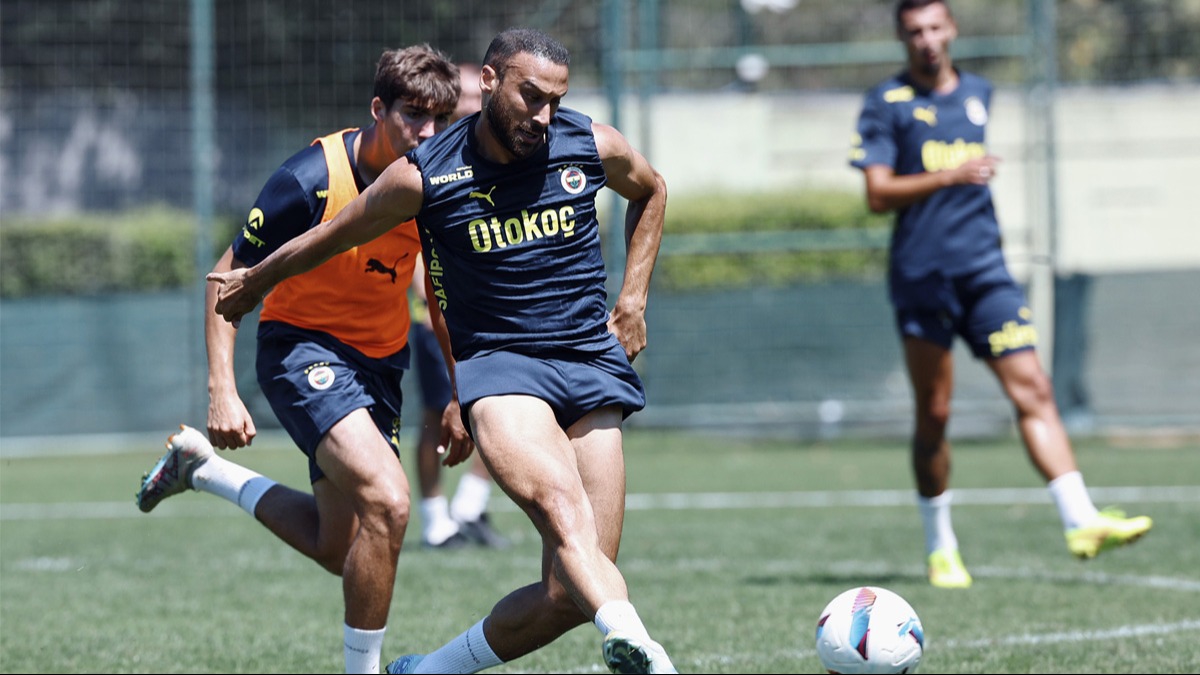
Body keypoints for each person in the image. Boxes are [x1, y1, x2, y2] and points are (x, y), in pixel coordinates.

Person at [207, 27, 677, 675]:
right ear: (488, 81)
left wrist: (633, 300)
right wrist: (255, 281)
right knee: (560, 513)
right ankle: (639, 643)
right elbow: (331, 234)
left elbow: (652, 190)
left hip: (589, 362)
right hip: (504, 369)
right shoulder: (425, 173)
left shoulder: (592, 144)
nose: (544, 116)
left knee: (572, 589)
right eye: (531, 96)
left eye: (556, 101)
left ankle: (427, 671)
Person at [135, 45, 467, 673]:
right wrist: (222, 388)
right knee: (390, 502)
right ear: (378, 109)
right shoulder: (309, 179)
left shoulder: (433, 184)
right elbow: (225, 278)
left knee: (336, 545)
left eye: (440, 120)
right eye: (414, 116)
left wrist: (458, 391)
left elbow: (444, 296)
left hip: (382, 366)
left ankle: (202, 471)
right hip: (301, 349)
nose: (428, 133)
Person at [849, 0, 1153, 589]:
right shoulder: (886, 102)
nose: (927, 39)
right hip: (923, 276)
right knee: (935, 413)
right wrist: (951, 175)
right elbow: (878, 193)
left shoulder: (978, 93)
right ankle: (941, 547)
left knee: (1034, 387)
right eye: (914, 31)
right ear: (901, 38)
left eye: (935, 27)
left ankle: (1081, 520)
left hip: (986, 271)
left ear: (952, 29)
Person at [410, 61, 510, 550]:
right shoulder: (429, 157)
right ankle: (435, 520)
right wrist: (429, 297)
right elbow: (414, 244)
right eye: (464, 96)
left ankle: (470, 506)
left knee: (507, 407)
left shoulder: (501, 152)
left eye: (478, 95)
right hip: (437, 318)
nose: (472, 103)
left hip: (491, 316)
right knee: (438, 414)